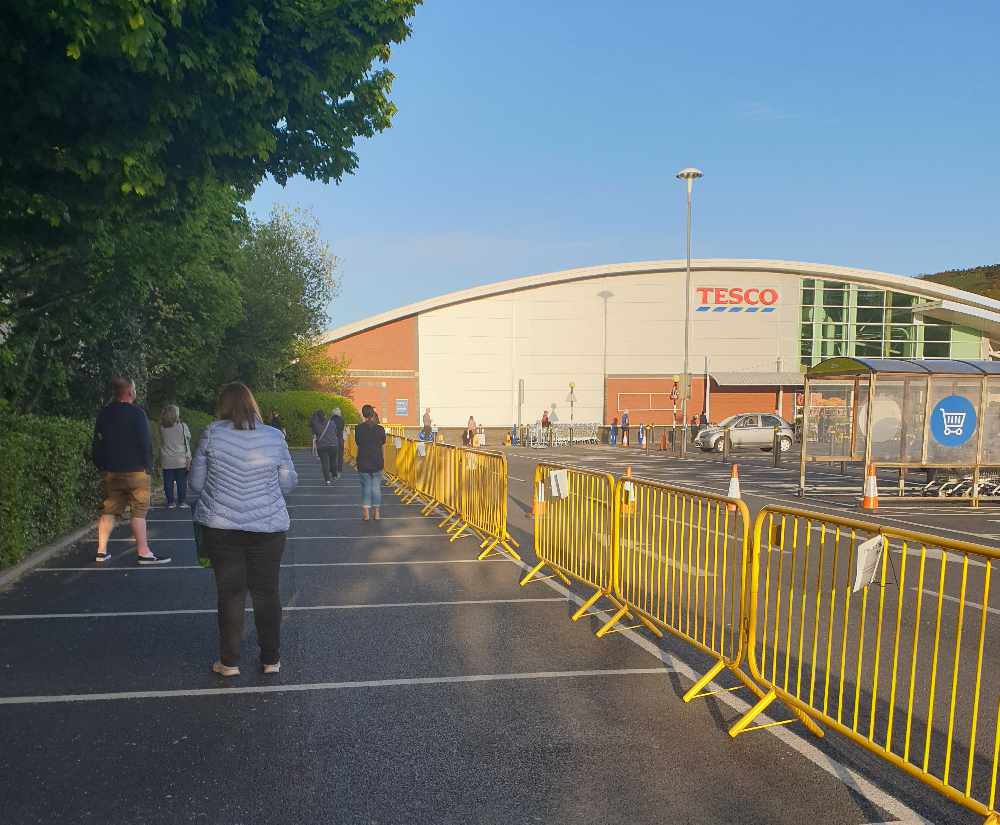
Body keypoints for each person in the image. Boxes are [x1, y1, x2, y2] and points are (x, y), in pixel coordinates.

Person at [189, 382, 297, 677]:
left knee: (230, 593)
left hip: (222, 527)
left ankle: (229, 662)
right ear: (253, 404)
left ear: (222, 405)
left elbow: (196, 485)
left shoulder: (211, 433)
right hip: (268, 527)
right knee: (267, 592)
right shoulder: (274, 436)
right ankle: (271, 659)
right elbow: (288, 483)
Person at [92, 376, 170, 564]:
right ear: (129, 392)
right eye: (134, 389)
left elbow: (97, 443)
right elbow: (145, 442)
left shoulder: (104, 413)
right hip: (136, 471)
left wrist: (101, 465)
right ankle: (144, 552)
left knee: (109, 510)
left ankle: (101, 551)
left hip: (111, 471)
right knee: (139, 511)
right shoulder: (137, 413)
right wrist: (148, 466)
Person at [355, 404, 386, 521]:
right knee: (376, 487)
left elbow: (358, 442)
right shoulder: (380, 429)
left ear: (363, 414)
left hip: (363, 460)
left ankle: (366, 513)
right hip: (377, 460)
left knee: (366, 487)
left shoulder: (358, 429)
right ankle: (377, 513)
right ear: (373, 414)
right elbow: (383, 442)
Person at [159, 404, 192, 509]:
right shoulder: (183, 426)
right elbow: (188, 438)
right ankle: (182, 502)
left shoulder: (161, 428)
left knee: (168, 481)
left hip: (167, 459)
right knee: (181, 481)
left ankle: (170, 502)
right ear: (176, 415)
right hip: (180, 459)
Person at [313, 409, 340, 484]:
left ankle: (327, 480)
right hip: (333, 444)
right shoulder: (331, 422)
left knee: (325, 463)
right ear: (325, 415)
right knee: (333, 461)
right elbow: (335, 432)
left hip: (322, 445)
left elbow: (315, 433)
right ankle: (334, 475)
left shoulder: (316, 424)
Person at [331, 406, 346, 475]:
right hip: (340, 439)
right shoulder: (342, 420)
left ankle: (332, 469)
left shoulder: (331, 420)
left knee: (332, 456)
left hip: (332, 439)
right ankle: (339, 469)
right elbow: (342, 429)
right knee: (340, 455)